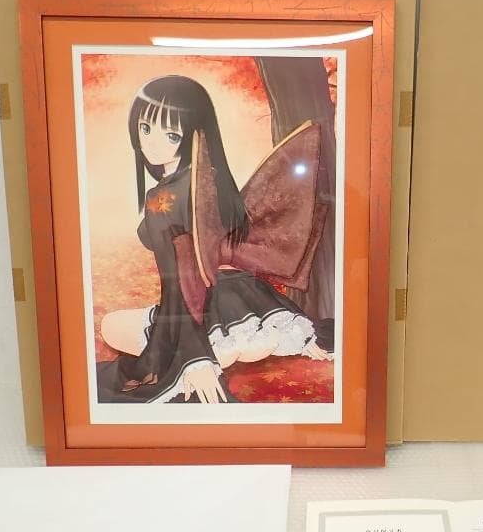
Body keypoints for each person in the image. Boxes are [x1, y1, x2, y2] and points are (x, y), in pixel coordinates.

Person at [96, 75, 332, 404]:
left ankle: (212, 350)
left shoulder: (162, 199)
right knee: (120, 325)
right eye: (145, 128)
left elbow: (178, 281)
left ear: (195, 133)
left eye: (171, 134)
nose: (152, 143)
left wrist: (194, 358)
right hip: (245, 298)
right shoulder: (209, 180)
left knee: (111, 326)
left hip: (193, 316)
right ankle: (258, 340)